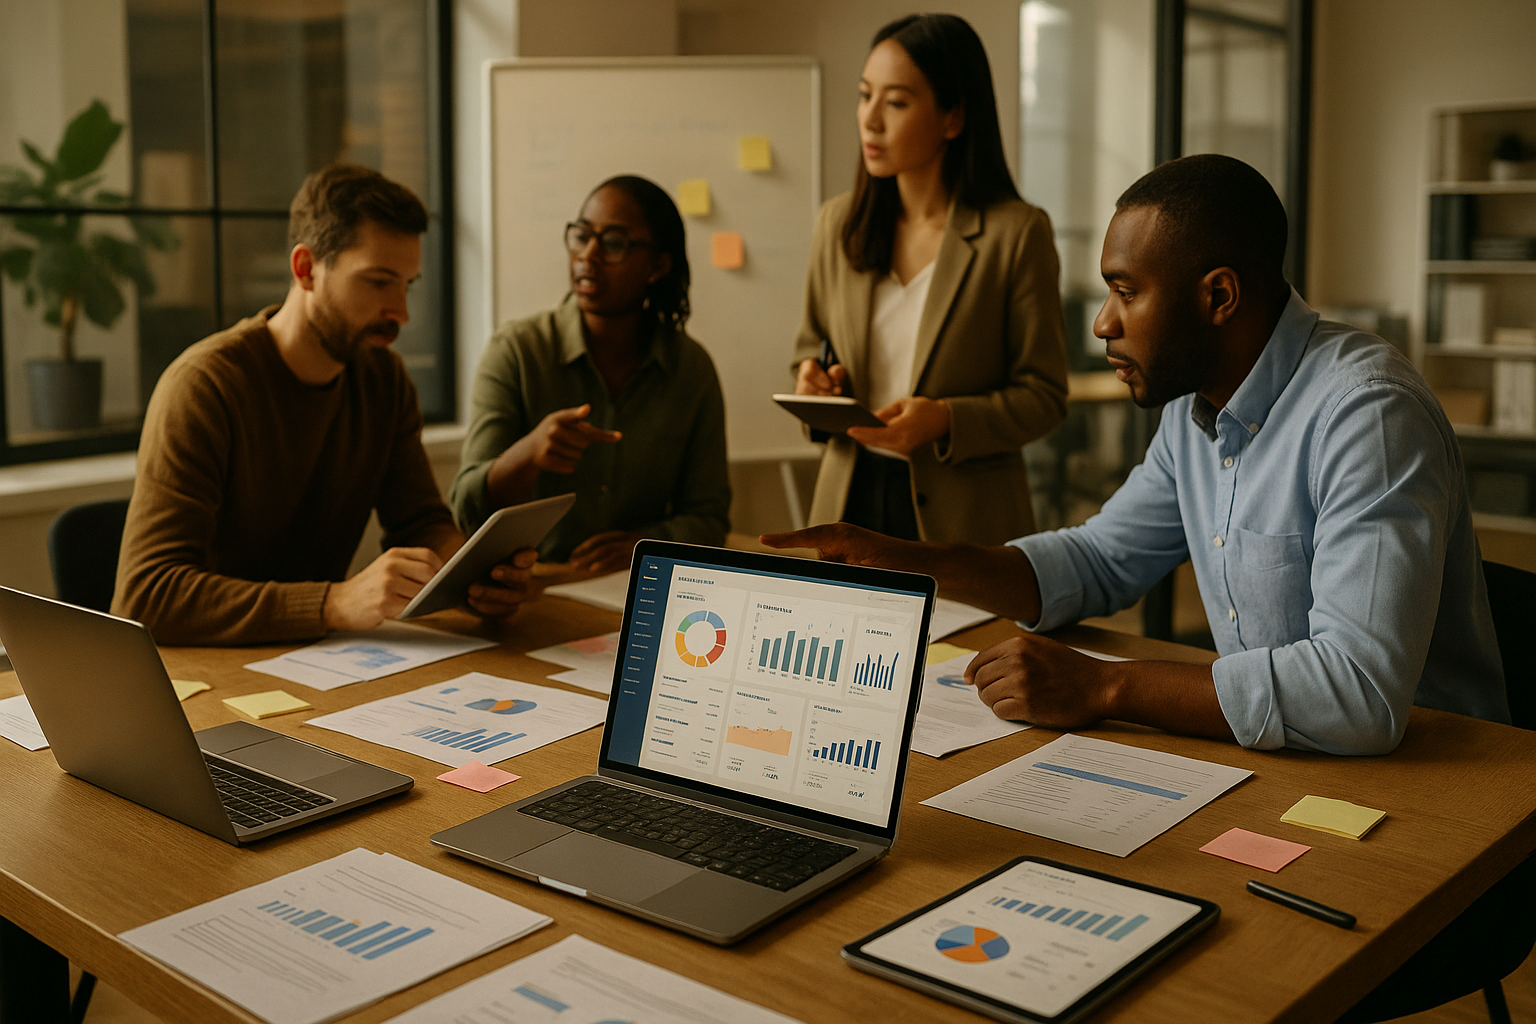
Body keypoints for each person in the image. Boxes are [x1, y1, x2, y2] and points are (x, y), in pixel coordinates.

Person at [767, 153, 1510, 756]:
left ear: (1218, 295)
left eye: (1126, 292)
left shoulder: (1366, 413)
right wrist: (906, 561)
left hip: (1433, 788)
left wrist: (1105, 686)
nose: (1101, 323)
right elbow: (1097, 562)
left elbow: (1358, 692)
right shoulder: (1199, 413)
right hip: (1288, 764)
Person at [113, 165, 532, 645]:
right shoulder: (205, 387)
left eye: (407, 284)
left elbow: (418, 522)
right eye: (378, 282)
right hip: (202, 675)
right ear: (305, 269)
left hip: (316, 664)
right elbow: (147, 598)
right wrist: (334, 602)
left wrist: (473, 574)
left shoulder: (383, 378)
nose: (402, 312)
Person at [791, 13, 1068, 545]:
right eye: (864, 95)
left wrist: (944, 419)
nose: (870, 120)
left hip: (965, 518)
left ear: (953, 118)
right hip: (848, 499)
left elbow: (1045, 396)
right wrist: (815, 388)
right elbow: (808, 352)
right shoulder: (837, 224)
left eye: (895, 102)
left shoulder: (1016, 232)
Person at [450, 175, 729, 575]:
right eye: (581, 236)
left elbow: (710, 519)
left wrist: (646, 546)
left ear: (658, 266)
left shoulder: (690, 368)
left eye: (613, 243)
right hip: (532, 587)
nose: (588, 256)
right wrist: (527, 455)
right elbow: (465, 509)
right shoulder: (516, 352)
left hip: (637, 586)